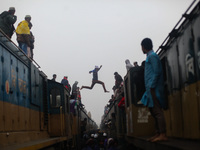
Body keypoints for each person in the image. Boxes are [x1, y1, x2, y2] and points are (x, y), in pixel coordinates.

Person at [140, 38, 167, 142]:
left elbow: (157, 72)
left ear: (144, 46)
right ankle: (158, 133)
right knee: (153, 110)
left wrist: (152, 85)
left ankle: (163, 134)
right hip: (150, 89)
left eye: (141, 46)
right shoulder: (149, 57)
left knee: (157, 111)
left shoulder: (153, 56)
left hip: (153, 88)